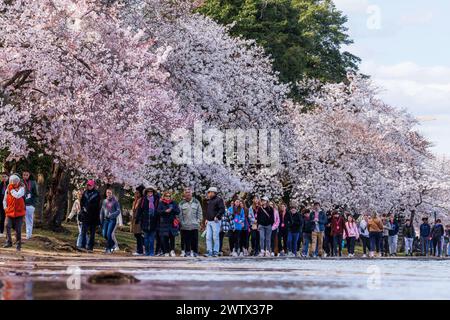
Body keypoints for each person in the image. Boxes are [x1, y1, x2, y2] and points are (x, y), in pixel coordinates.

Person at [3, 175, 26, 251]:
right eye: (12, 180)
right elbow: (5, 199)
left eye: (15, 180)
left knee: (18, 229)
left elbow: (17, 195)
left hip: (19, 213)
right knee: (7, 225)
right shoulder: (8, 188)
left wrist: (11, 189)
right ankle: (8, 242)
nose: (14, 182)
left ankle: (18, 244)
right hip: (9, 212)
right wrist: (5, 208)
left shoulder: (22, 188)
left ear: (18, 181)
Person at [79, 180, 101, 252]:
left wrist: (88, 208)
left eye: (90, 185)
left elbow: (96, 205)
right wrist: (83, 208)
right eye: (88, 185)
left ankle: (90, 247)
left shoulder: (97, 194)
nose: (89, 186)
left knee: (92, 232)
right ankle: (82, 245)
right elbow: (82, 201)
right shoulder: (85, 193)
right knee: (83, 231)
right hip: (85, 215)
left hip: (93, 216)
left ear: (93, 186)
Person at [179, 187, 202, 257]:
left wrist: (198, 221)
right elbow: (179, 214)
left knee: (195, 239)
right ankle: (187, 252)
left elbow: (199, 212)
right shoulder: (181, 203)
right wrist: (182, 222)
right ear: (184, 194)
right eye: (186, 192)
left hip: (194, 224)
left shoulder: (196, 202)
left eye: (189, 192)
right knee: (186, 240)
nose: (188, 194)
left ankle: (195, 252)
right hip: (185, 225)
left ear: (191, 193)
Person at [136, 187, 160, 256]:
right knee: (146, 239)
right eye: (148, 192)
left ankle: (151, 252)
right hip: (145, 221)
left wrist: (158, 220)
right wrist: (138, 219)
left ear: (153, 192)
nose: (150, 193)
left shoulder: (156, 200)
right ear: (146, 192)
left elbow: (158, 210)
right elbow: (140, 210)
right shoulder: (143, 200)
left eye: (151, 191)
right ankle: (147, 251)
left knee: (152, 239)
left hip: (153, 222)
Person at [157, 191, 180, 257]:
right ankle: (166, 251)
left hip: (172, 223)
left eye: (169, 196)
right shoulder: (161, 203)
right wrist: (165, 211)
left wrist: (172, 209)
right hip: (164, 223)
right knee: (165, 238)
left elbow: (178, 211)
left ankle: (172, 250)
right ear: (164, 196)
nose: (168, 197)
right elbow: (158, 212)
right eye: (166, 196)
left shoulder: (174, 203)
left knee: (172, 237)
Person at [204, 187, 225, 257]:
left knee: (215, 237)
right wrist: (206, 219)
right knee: (208, 237)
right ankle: (209, 251)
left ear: (213, 192)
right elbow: (208, 211)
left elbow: (222, 209)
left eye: (209, 192)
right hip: (209, 221)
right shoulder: (209, 201)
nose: (208, 194)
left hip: (216, 221)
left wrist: (217, 216)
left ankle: (216, 251)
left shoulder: (219, 200)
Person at [100, 189, 121, 254]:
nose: (108, 194)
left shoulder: (115, 202)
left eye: (110, 193)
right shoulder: (104, 201)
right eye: (107, 192)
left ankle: (108, 249)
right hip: (105, 220)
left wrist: (111, 215)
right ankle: (113, 244)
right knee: (104, 234)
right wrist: (101, 220)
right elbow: (102, 211)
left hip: (112, 220)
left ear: (112, 194)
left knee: (109, 234)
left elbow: (118, 211)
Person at [22, 170, 38, 240]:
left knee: (29, 219)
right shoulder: (21, 182)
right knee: (24, 219)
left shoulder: (33, 183)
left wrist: (34, 203)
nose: (25, 176)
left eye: (26, 175)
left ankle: (29, 235)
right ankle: (26, 234)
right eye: (24, 175)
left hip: (30, 204)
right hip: (22, 204)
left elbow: (36, 194)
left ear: (29, 175)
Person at [130, 190, 144, 255]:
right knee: (136, 234)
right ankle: (142, 247)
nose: (136, 194)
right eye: (135, 193)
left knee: (138, 234)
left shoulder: (141, 200)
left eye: (137, 193)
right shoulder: (134, 201)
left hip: (139, 219)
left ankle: (140, 250)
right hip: (134, 219)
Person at [0, 172, 9, 237]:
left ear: (8, 177)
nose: (4, 178)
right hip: (1, 203)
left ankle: (8, 233)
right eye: (2, 176)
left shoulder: (10, 185)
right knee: (2, 217)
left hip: (9, 203)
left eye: (5, 176)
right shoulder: (0, 184)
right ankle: (1, 231)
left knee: (9, 218)